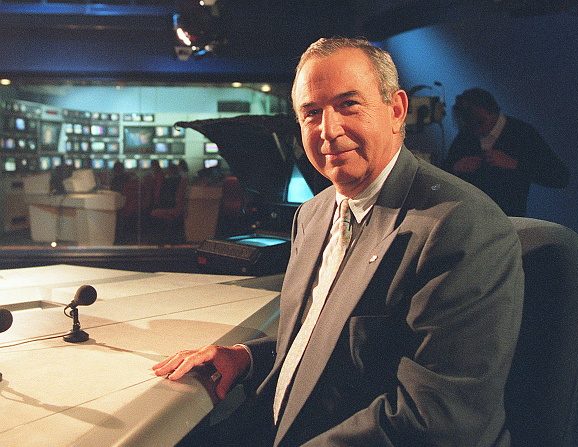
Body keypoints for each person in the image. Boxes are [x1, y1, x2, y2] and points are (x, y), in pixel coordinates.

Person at [153, 38, 524, 446]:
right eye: (312, 113)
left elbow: (438, 419)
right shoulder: (313, 215)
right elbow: (324, 339)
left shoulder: (463, 228)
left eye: (349, 105)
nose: (328, 130)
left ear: (396, 111)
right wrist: (246, 356)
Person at [443, 88, 569, 216]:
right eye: (469, 124)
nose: (476, 130)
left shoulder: (522, 133)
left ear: (493, 111)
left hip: (509, 221)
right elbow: (439, 179)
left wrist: (515, 164)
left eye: (480, 122)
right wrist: (456, 167)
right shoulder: (466, 135)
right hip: (470, 219)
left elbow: (560, 177)